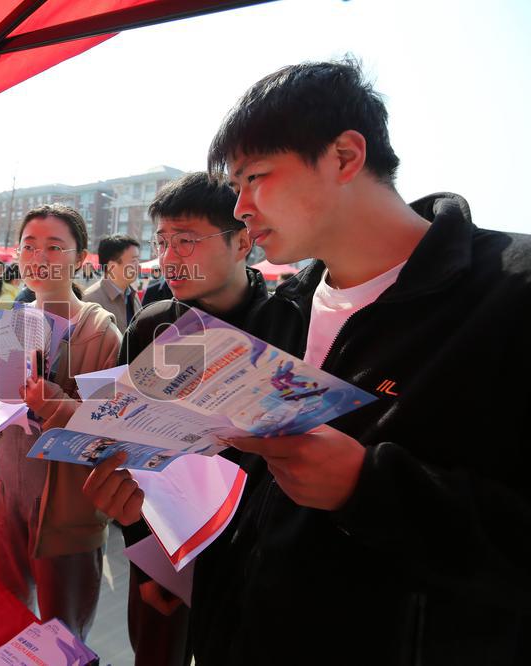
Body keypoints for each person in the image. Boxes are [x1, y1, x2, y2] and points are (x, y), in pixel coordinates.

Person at [85, 58, 531, 665]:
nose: (240, 207)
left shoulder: (508, 294)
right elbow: (244, 495)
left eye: (256, 177)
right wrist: (160, 532)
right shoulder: (276, 317)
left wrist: (368, 486)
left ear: (346, 156)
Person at [0, 204, 121, 640]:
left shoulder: (101, 331)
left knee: (64, 630)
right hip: (8, 487)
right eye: (29, 245)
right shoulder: (14, 322)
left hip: (65, 503)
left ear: (79, 259)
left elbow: (110, 431)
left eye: (55, 247)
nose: (39, 256)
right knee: (9, 610)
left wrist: (55, 401)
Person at [113, 172, 262, 666]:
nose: (169, 255)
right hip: (163, 534)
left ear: (242, 241)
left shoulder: (287, 321)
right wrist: (145, 548)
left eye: (187, 240)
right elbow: (132, 446)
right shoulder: (153, 323)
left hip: (252, 552)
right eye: (162, 241)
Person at [82, 234, 141, 333]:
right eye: (133, 261)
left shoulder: (132, 295)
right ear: (111, 266)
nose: (138, 266)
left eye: (138, 260)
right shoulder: (90, 300)